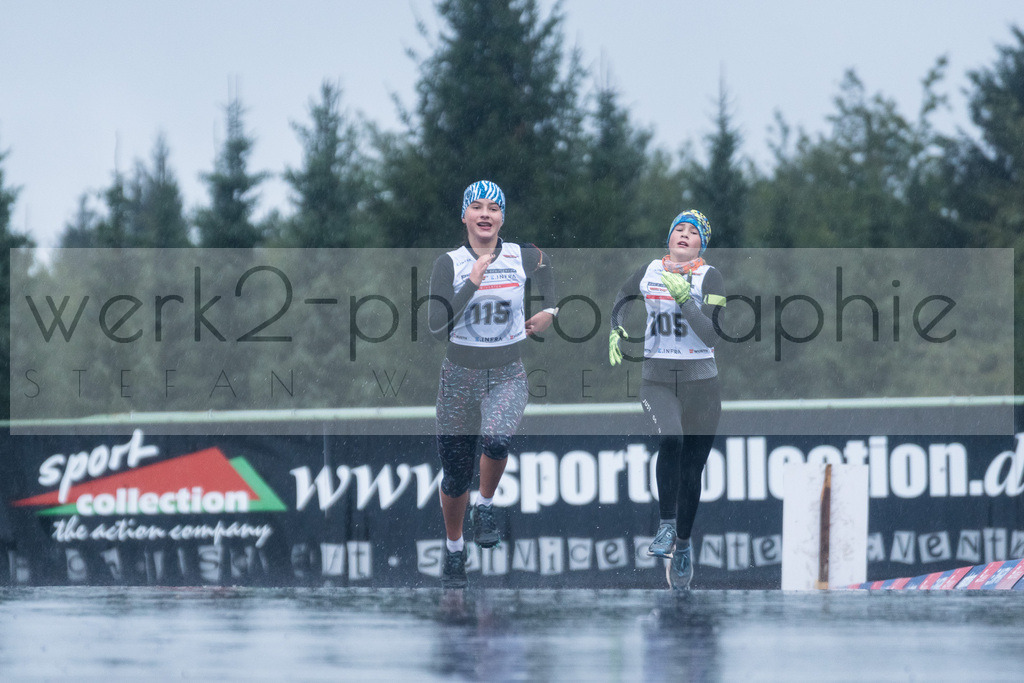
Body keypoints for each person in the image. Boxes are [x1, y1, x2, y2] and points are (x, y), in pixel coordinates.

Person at [427, 180, 557, 588]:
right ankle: (453, 550)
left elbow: (546, 267)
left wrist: (550, 309)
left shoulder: (522, 255)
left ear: (503, 218)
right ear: (464, 215)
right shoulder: (448, 263)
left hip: (506, 372)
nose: (485, 214)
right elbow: (434, 328)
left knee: (497, 438)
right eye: (477, 207)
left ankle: (485, 507)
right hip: (459, 377)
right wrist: (472, 284)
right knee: (454, 476)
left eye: (494, 209)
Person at [608, 210, 726, 590]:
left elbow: (711, 336)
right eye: (680, 229)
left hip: (702, 386)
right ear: (669, 238)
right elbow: (622, 297)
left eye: (694, 233)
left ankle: (685, 546)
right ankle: (665, 526)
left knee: (692, 473)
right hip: (657, 380)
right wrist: (616, 328)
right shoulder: (649, 271)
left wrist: (686, 301)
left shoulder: (711, 277)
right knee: (670, 438)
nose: (685, 235)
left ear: (700, 245)